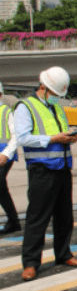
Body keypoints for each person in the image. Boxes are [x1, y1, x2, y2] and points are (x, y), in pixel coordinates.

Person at [15, 66, 77, 281]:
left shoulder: (56, 108)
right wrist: (54, 139)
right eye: (55, 94)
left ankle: (63, 254)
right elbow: (23, 138)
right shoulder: (25, 107)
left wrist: (71, 135)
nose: (57, 98)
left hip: (63, 168)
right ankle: (30, 263)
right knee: (38, 218)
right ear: (43, 87)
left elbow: (58, 130)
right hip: (41, 170)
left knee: (65, 216)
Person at [0, 82, 20, 235]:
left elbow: (15, 136)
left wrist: (6, 154)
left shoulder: (6, 111)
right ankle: (13, 221)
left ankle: (13, 221)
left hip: (4, 154)